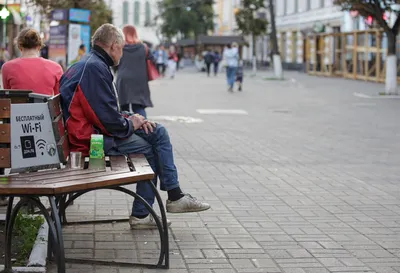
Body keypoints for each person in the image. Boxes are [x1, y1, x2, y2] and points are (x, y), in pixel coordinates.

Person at [59, 24, 210, 230]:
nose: (122, 53)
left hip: (90, 133)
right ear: (113, 46)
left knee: (157, 132)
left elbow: (102, 111)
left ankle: (173, 197)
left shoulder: (89, 63)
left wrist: (134, 118)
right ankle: (158, 205)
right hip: (91, 142)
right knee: (150, 150)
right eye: (121, 48)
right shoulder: (95, 68)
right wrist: (131, 123)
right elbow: (109, 122)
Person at [1, 28, 63, 96]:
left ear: (19, 46)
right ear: (39, 47)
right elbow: (58, 99)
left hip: (17, 106)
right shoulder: (56, 68)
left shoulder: (7, 67)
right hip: (44, 106)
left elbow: (7, 97)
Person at [116, 25, 154, 118]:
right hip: (139, 80)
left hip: (123, 79)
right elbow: (152, 59)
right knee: (139, 107)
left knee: (123, 107)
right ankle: (144, 128)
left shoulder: (119, 47)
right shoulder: (144, 47)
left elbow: (114, 63)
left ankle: (125, 129)